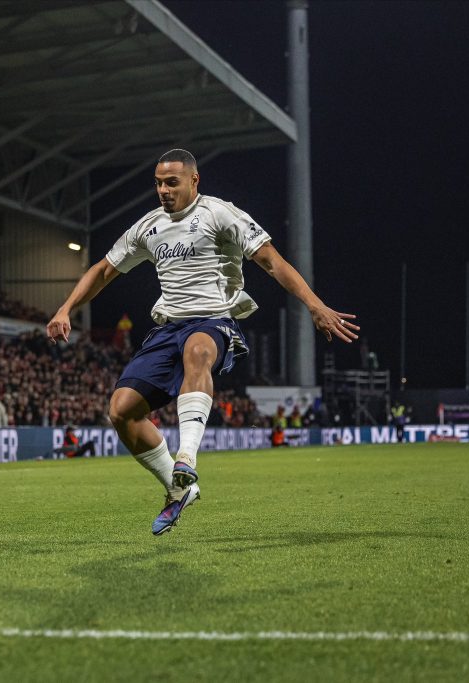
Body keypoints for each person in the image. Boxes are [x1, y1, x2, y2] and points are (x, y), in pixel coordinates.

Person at [46, 149, 358, 535]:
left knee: (197, 351)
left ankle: (186, 457)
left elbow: (271, 260)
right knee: (121, 410)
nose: (163, 190)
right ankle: (178, 491)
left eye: (171, 182)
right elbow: (104, 269)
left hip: (214, 321)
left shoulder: (219, 213)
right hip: (166, 328)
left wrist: (314, 305)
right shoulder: (149, 226)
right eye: (158, 183)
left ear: (194, 181)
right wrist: (66, 308)